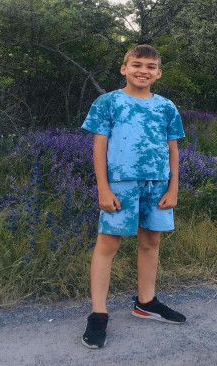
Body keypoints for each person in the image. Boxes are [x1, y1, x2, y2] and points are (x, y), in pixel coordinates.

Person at [80, 44, 187, 349]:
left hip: (157, 183)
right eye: (137, 64)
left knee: (151, 241)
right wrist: (103, 188)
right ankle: (98, 314)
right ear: (124, 68)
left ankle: (146, 302)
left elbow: (173, 149)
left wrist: (173, 187)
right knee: (108, 244)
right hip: (120, 183)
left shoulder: (166, 107)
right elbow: (99, 147)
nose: (143, 71)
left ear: (159, 73)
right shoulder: (108, 102)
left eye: (150, 67)